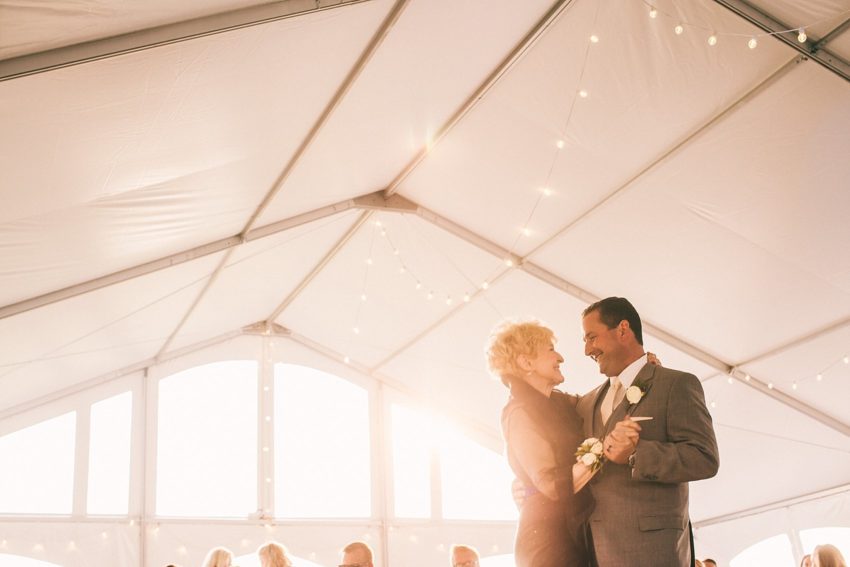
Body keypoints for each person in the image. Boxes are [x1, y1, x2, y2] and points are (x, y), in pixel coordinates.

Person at [576, 297, 719, 567]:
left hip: (655, 551)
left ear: (622, 329)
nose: (587, 350)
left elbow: (705, 458)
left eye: (592, 337)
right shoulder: (585, 403)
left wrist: (636, 454)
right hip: (596, 552)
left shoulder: (676, 384)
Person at [488, 320, 611, 566]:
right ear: (526, 363)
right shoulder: (519, 412)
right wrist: (603, 451)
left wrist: (640, 377)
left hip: (572, 529)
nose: (561, 357)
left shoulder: (559, 403)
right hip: (547, 541)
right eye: (550, 349)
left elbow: (597, 401)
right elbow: (552, 483)